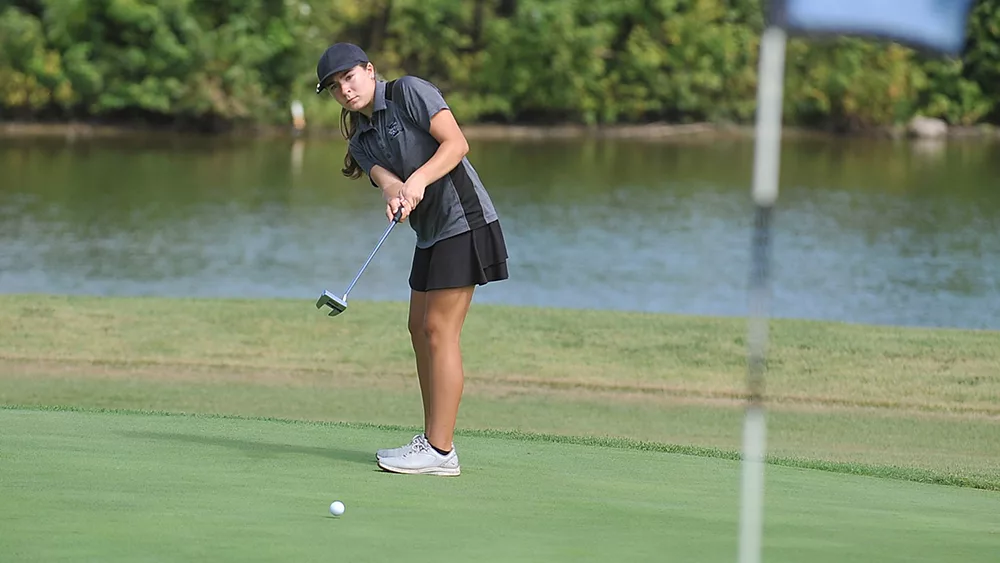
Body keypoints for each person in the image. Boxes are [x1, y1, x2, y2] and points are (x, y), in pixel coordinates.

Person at [315, 43, 509, 476]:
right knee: (419, 329)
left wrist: (418, 180)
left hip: (465, 220)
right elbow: (385, 181)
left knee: (439, 330)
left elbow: (457, 144)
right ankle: (432, 441)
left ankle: (440, 451)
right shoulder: (361, 138)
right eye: (334, 86)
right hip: (430, 234)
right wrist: (394, 193)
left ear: (369, 70)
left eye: (349, 77)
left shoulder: (409, 92)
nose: (344, 90)